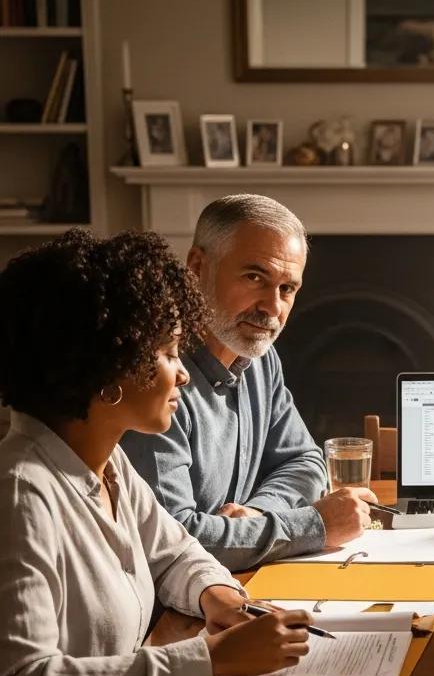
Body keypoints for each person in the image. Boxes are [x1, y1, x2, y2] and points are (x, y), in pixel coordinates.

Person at [0, 229, 312, 676]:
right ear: (107, 368)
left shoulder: (99, 459)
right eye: (167, 352)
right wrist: (211, 658)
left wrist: (221, 597)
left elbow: (172, 550)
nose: (181, 372)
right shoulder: (22, 490)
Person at [122, 194, 376, 571]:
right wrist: (315, 524)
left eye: (287, 289)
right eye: (255, 277)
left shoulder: (261, 359)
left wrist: (258, 514)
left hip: (238, 583)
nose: (272, 307)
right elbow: (173, 540)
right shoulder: (156, 378)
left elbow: (305, 462)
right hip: (172, 610)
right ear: (196, 267)